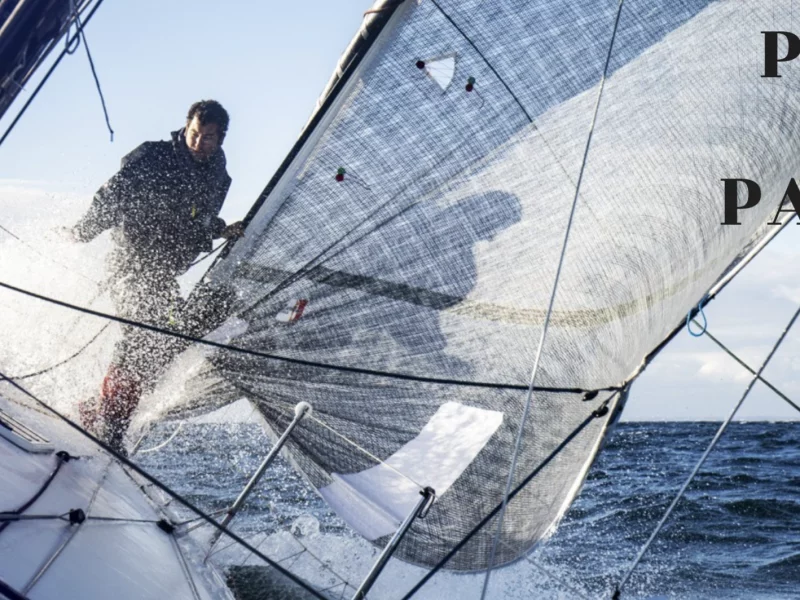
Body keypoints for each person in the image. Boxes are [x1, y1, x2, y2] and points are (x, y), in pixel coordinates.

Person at [70, 100, 244, 451]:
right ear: (187, 126)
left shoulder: (219, 179)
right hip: (130, 264)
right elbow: (111, 196)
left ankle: (97, 407)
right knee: (143, 338)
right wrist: (81, 232)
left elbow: (195, 221)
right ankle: (112, 432)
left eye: (208, 138)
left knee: (166, 342)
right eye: (194, 134)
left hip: (163, 274)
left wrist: (221, 230)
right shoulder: (153, 156)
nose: (198, 143)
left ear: (221, 138)